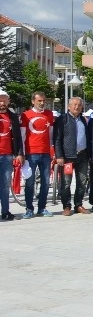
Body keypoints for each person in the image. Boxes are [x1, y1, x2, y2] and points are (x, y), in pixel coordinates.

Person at [19, 91, 55, 218]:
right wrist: (22, 153)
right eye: (39, 100)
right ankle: (29, 209)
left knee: (46, 182)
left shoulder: (49, 114)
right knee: (30, 182)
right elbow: (22, 136)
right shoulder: (25, 115)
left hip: (45, 153)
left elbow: (50, 134)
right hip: (30, 153)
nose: (42, 103)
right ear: (33, 101)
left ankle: (42, 208)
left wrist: (52, 150)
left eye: (43, 100)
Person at [53, 96, 90, 216]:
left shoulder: (83, 119)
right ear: (69, 106)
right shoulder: (62, 119)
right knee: (66, 183)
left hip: (82, 156)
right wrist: (59, 155)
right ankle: (66, 206)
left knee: (82, 182)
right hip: (67, 157)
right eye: (74, 104)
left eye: (79, 105)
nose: (77, 107)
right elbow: (57, 139)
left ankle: (78, 204)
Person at [0, 89, 24, 221]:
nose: (2, 103)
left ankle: (5, 211)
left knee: (4, 185)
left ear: (8, 101)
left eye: (4, 100)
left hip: (7, 154)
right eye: (0, 100)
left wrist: (19, 153)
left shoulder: (13, 116)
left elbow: (18, 136)